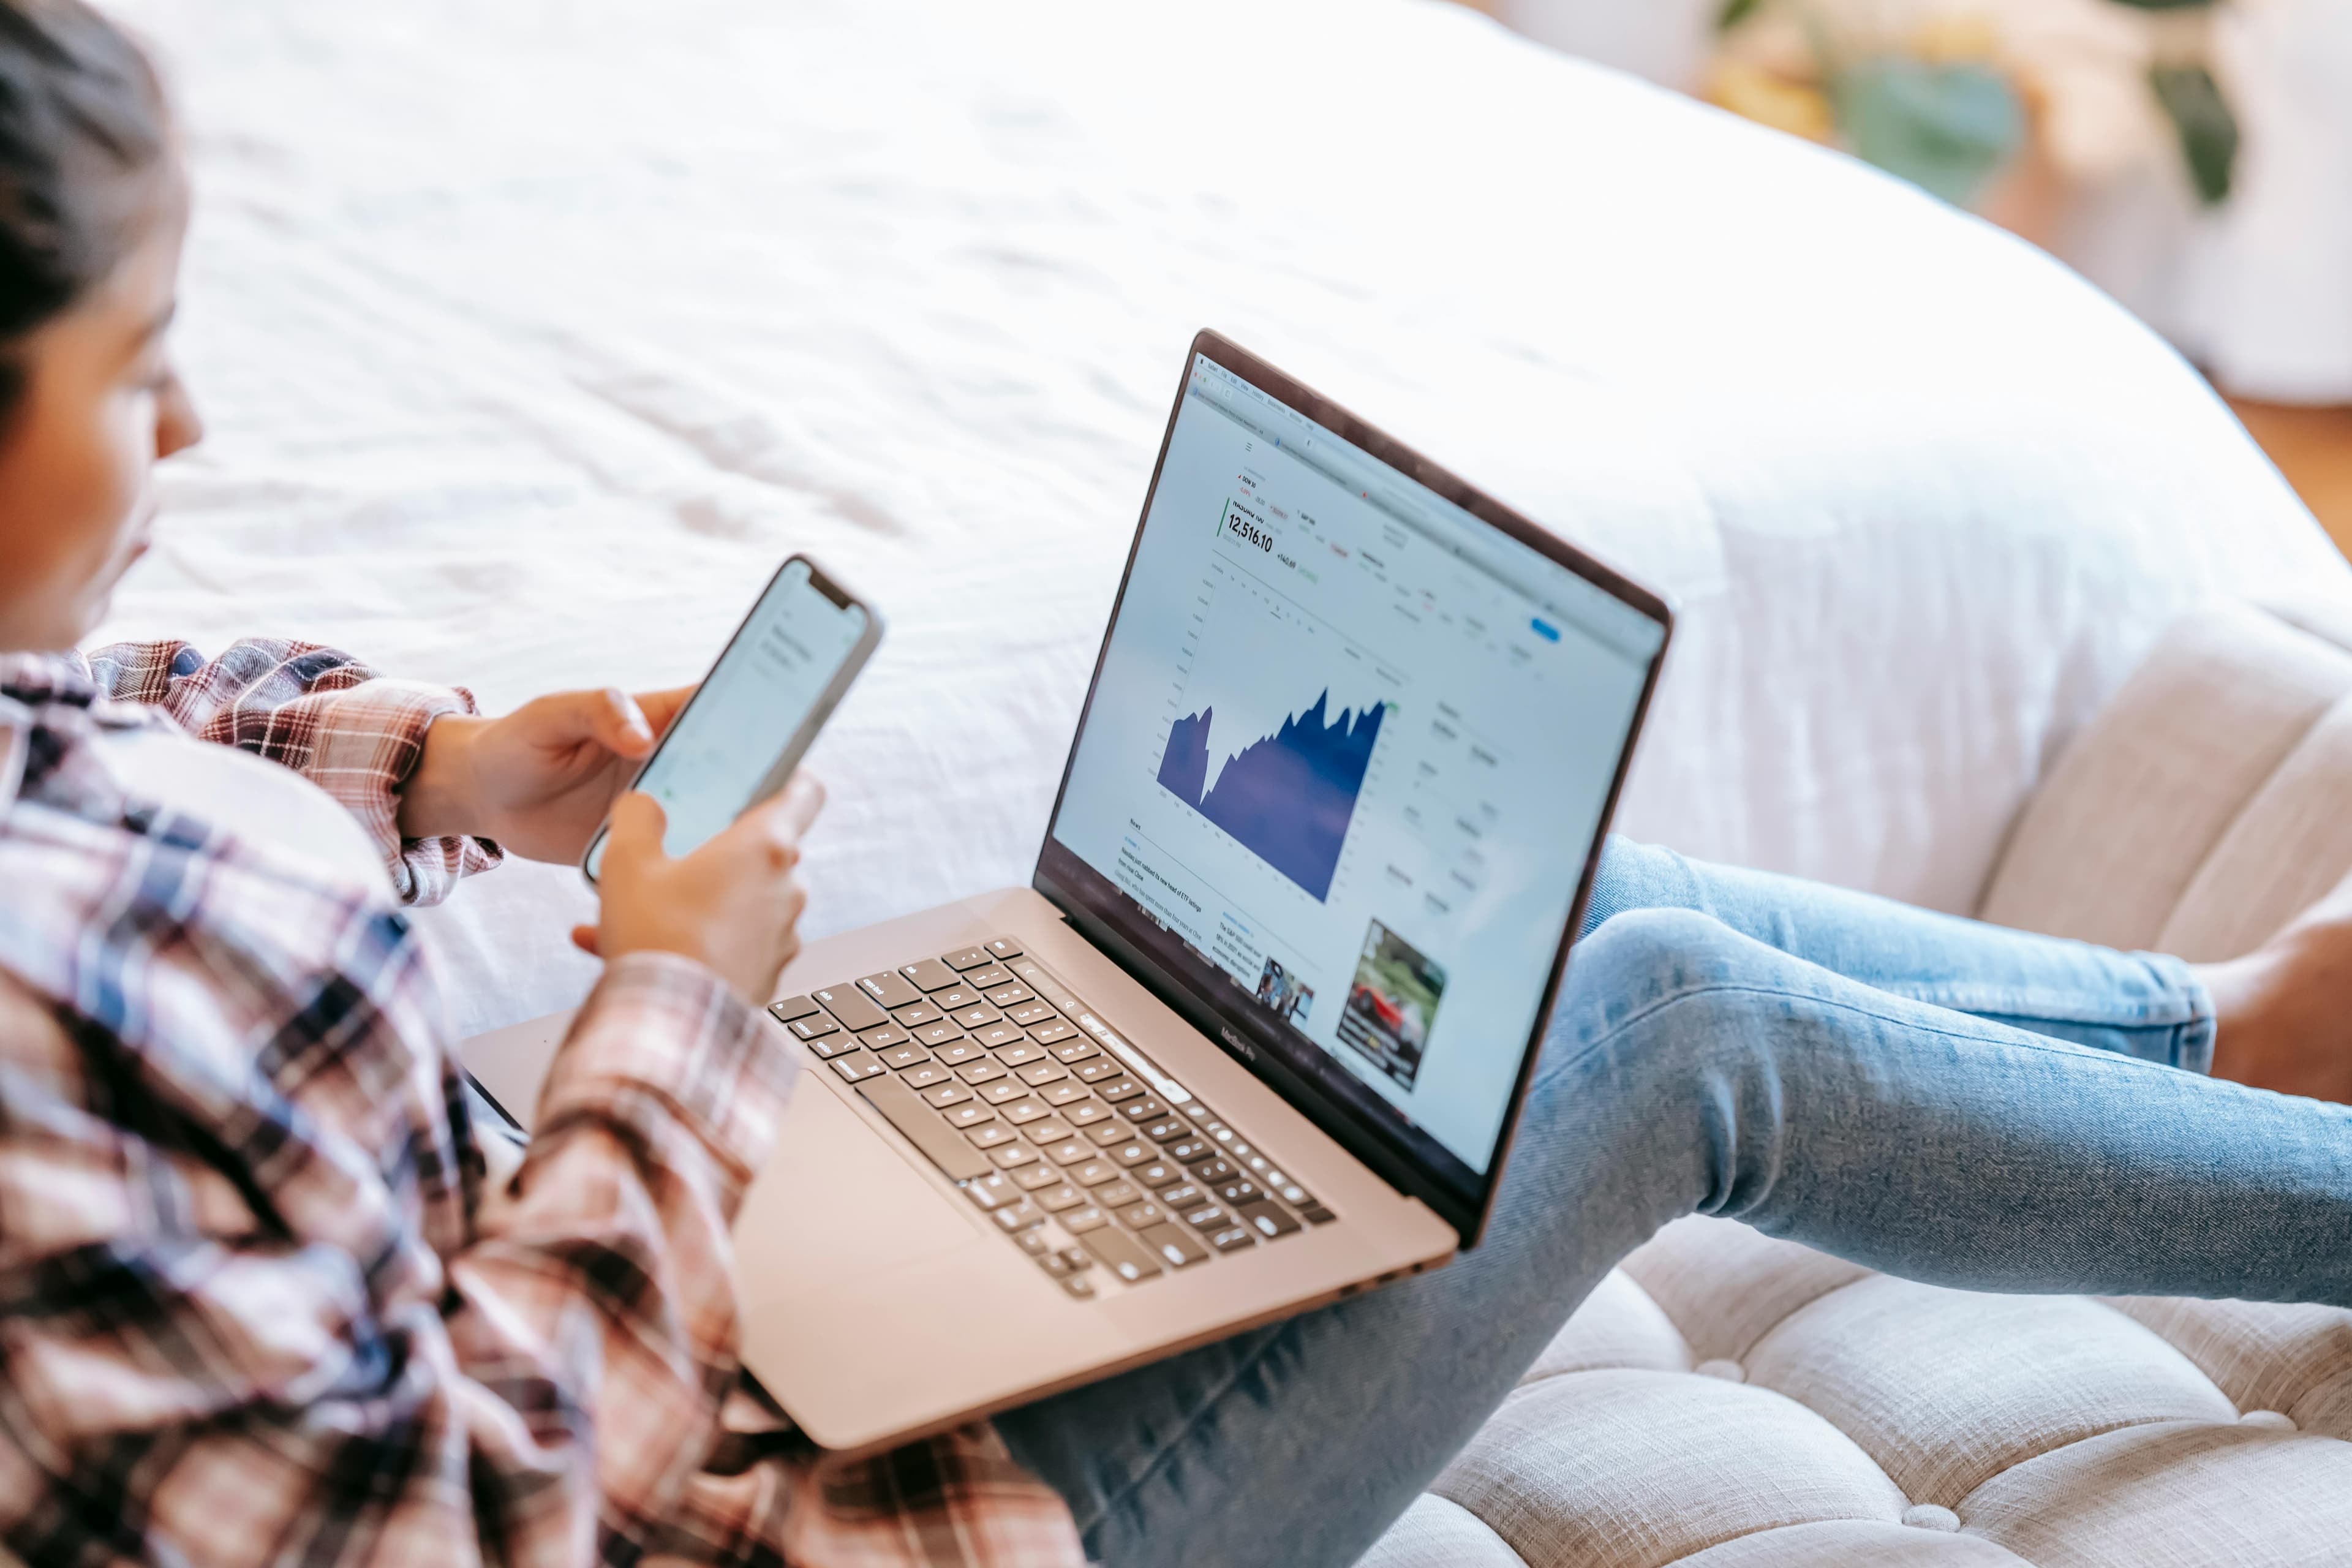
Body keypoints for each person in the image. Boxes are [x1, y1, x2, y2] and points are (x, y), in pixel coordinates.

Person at [1, 6, 2346, 1566]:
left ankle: (2226, 1028)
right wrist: (681, 1025)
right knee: (1665, 1036)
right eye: (142, 369)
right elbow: (461, 1531)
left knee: (1533, 925)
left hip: (646, 1302)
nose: (190, 438)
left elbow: (114, 693)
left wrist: (425, 756)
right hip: (809, 1522)